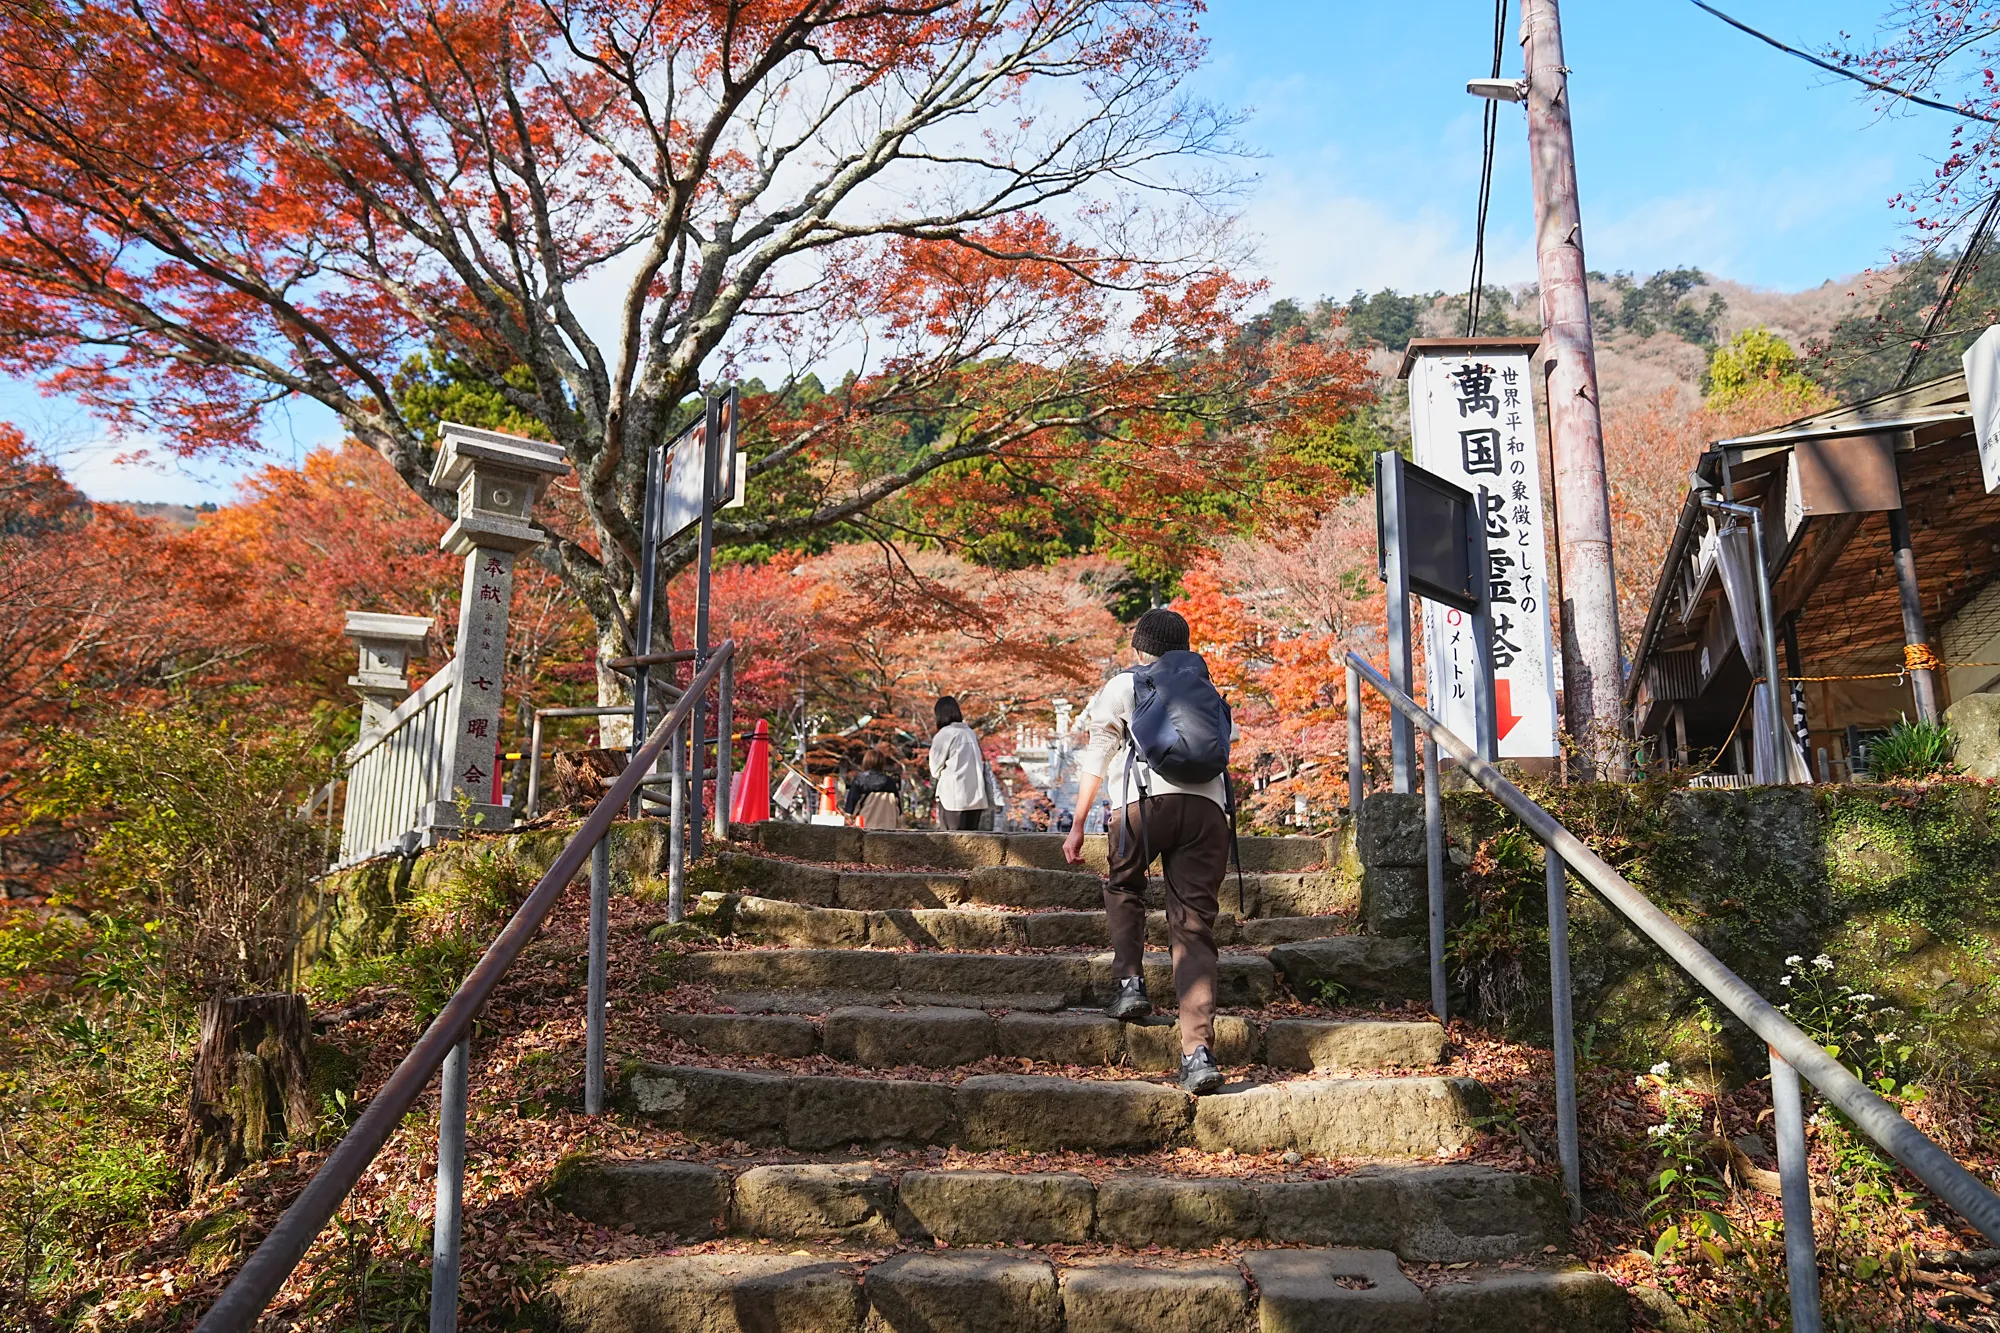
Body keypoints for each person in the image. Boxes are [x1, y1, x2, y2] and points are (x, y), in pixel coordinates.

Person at [1063, 608, 1232, 1095]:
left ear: (1140, 648)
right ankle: (1197, 1052)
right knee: (1194, 929)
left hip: (1142, 806)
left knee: (1124, 885)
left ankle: (1129, 985)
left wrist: (1077, 825)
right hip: (1207, 813)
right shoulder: (1205, 690)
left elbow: (1097, 754)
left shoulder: (1126, 684)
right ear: (1183, 648)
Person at [928, 697, 991, 831]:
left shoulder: (944, 735)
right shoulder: (970, 733)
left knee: (952, 845)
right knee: (971, 845)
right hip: (975, 799)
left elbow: (934, 770)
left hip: (952, 798)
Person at [844, 747, 903, 829]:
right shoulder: (891, 782)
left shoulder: (860, 781)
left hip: (865, 829)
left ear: (865, 762)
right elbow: (898, 811)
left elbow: (850, 811)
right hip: (889, 830)